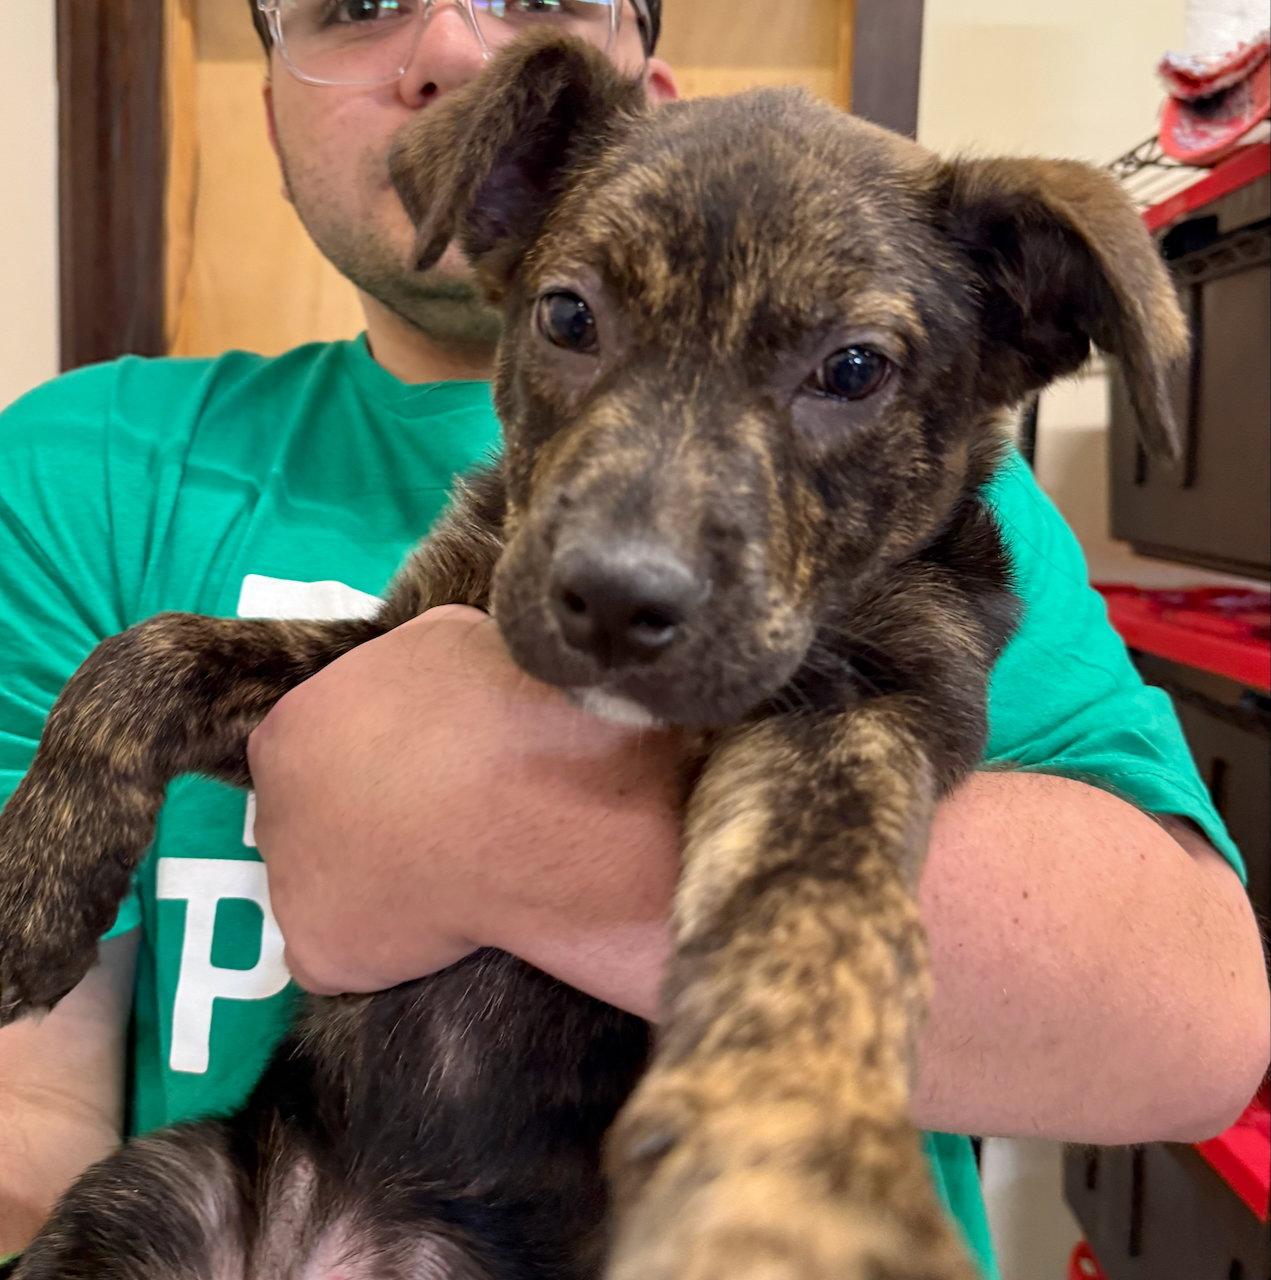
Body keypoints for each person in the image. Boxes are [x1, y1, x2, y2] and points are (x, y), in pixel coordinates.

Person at [0, 3, 1266, 1276]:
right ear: (506, 206)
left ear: (647, 69)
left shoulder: (946, 556)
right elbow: (24, 1120)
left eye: (843, 372)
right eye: (571, 323)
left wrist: (487, 834)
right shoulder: (85, 466)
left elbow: (1203, 1034)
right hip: (275, 1184)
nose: (443, 44)